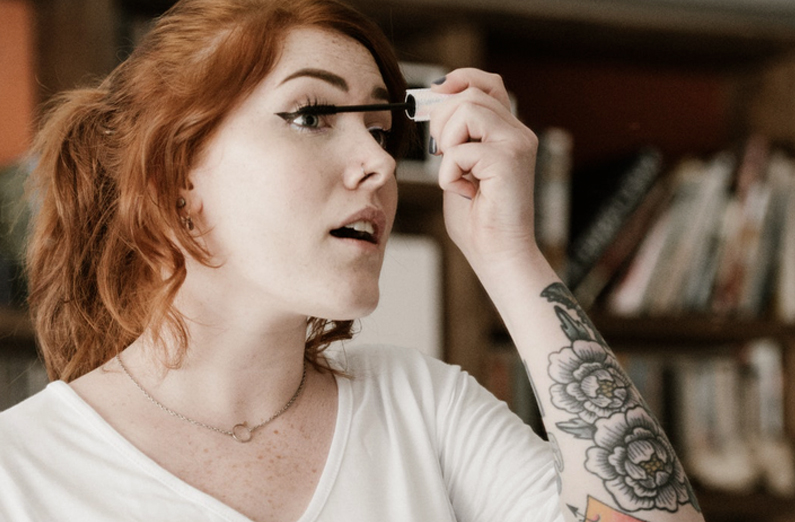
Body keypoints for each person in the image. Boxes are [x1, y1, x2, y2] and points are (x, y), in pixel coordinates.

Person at [0, 0, 706, 521]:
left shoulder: (426, 410)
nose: (376, 162)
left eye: (380, 131)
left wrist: (509, 254)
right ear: (175, 172)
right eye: (311, 116)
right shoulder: (18, 473)